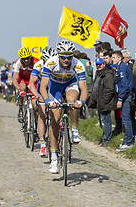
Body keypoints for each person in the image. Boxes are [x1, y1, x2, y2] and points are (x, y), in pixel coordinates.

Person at [40, 40, 87, 173]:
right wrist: (47, 100)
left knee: (72, 100)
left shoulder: (77, 64)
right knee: (55, 119)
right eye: (63, 57)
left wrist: (81, 102)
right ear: (59, 55)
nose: (66, 60)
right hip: (54, 87)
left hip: (70, 84)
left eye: (69, 57)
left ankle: (75, 129)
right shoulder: (51, 62)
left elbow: (83, 88)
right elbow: (43, 86)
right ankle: (54, 158)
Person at [29, 46, 57, 157]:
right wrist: (37, 95)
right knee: (42, 115)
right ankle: (42, 144)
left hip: (54, 88)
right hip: (42, 89)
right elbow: (31, 83)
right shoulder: (39, 65)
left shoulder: (57, 63)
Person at [89, 57, 117, 146]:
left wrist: (104, 101)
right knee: (102, 122)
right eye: (97, 65)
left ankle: (107, 140)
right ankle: (105, 139)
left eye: (100, 64)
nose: (98, 66)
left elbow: (110, 89)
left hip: (105, 102)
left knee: (106, 122)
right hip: (99, 102)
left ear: (104, 64)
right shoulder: (98, 74)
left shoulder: (107, 75)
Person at [111, 50, 134, 151]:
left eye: (114, 58)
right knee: (125, 118)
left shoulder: (122, 68)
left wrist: (120, 99)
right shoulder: (120, 67)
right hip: (123, 95)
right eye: (112, 58)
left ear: (120, 58)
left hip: (125, 96)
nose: (112, 60)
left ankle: (129, 142)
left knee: (126, 119)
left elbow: (124, 84)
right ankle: (126, 139)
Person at [12, 46, 39, 123]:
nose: (26, 60)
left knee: (34, 103)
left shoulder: (36, 62)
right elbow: (14, 79)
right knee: (22, 89)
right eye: (23, 59)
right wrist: (19, 90)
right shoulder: (18, 63)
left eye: (27, 58)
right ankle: (21, 109)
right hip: (23, 79)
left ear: (31, 56)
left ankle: (35, 123)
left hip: (33, 81)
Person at [121, 49, 136, 141]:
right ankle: (130, 134)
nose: (121, 59)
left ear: (128, 58)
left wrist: (133, 98)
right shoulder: (125, 66)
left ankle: (134, 134)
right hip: (128, 95)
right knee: (127, 116)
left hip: (132, 95)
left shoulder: (131, 68)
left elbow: (135, 84)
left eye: (123, 57)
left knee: (130, 116)